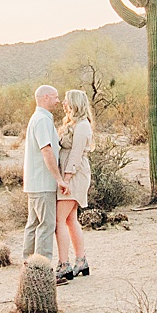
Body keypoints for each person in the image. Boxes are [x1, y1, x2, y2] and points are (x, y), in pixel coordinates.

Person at [22, 85, 63, 268]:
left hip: (34, 182)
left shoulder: (37, 118)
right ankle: (42, 268)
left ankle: (28, 264)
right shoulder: (42, 120)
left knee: (33, 224)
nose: (58, 100)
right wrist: (59, 178)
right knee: (46, 225)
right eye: (55, 97)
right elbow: (47, 150)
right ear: (46, 97)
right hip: (43, 182)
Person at [55, 89, 94, 283]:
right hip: (70, 175)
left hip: (75, 175)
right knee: (70, 219)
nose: (63, 103)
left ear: (75, 103)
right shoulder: (74, 124)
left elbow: (76, 154)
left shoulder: (82, 125)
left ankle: (64, 264)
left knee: (58, 220)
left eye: (66, 100)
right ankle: (81, 261)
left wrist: (67, 180)